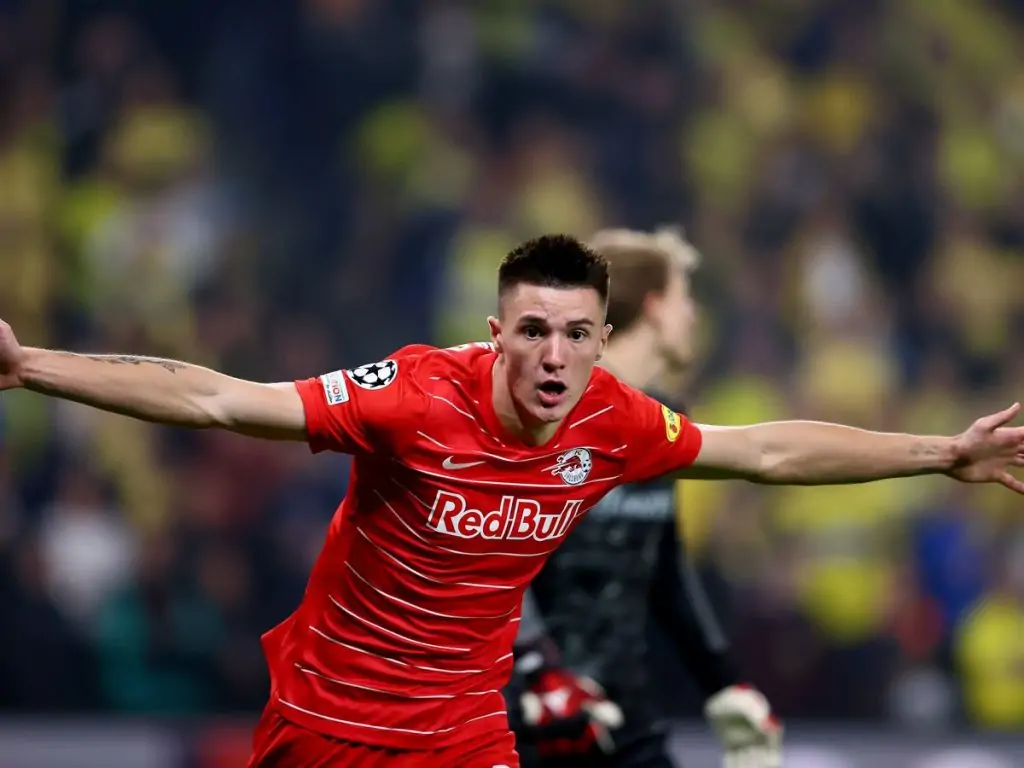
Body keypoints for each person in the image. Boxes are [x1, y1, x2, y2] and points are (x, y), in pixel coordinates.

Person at [1, 234, 1022, 768]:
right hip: (330, 723)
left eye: (577, 335)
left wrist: (943, 453)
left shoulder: (612, 420)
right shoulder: (411, 396)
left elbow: (762, 452)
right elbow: (222, 400)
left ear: (602, 341)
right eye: (533, 331)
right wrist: (31, 365)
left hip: (467, 732)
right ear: (496, 333)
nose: (554, 356)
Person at [506, 228, 781, 768]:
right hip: (536, 720)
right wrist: (539, 672)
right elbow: (496, 555)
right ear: (654, 308)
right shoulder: (546, 406)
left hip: (627, 718)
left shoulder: (664, 420)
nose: (693, 316)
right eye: (685, 298)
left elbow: (666, 568)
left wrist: (725, 682)